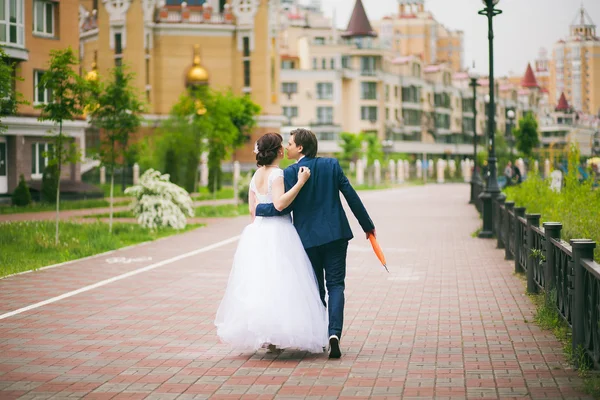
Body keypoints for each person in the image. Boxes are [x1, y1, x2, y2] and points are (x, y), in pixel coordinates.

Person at [255, 128, 375, 359]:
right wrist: (367, 226)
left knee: (316, 288)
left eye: (290, 143)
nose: (287, 147)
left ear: (300, 147)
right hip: (336, 235)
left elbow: (284, 206)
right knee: (336, 286)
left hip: (307, 239)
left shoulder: (290, 172)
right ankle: (334, 335)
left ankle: (321, 335)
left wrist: (259, 208)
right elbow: (351, 196)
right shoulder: (332, 165)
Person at [214, 133, 328, 354]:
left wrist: (256, 231)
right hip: (279, 231)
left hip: (257, 232)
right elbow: (279, 203)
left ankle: (267, 337)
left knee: (261, 283)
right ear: (277, 151)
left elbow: (252, 210)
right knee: (282, 282)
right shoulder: (277, 174)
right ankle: (275, 335)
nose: (285, 148)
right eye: (282, 146)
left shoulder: (255, 175)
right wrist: (300, 183)